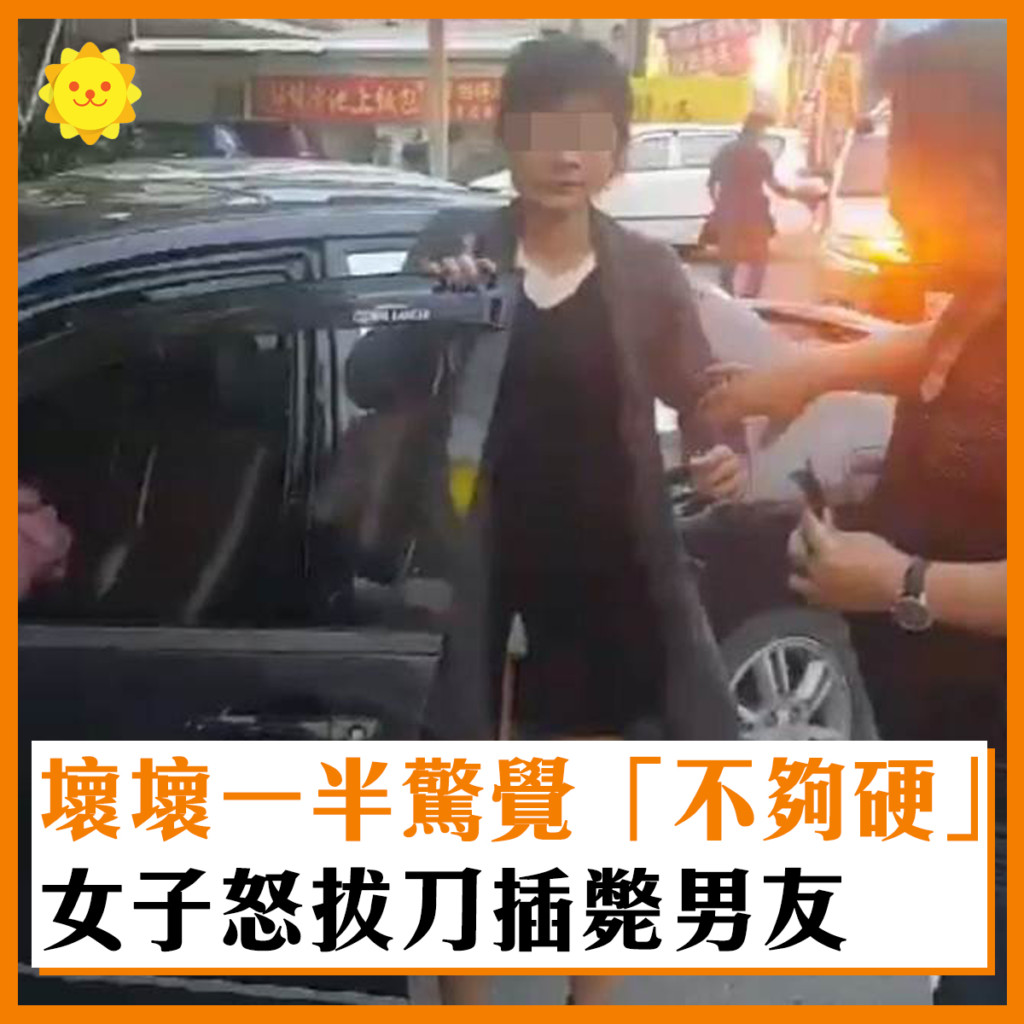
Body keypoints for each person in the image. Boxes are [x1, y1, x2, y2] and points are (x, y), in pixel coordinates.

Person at [346, 33, 743, 1005]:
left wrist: (725, 450)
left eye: (592, 134)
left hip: (607, 575)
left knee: (600, 816)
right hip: (468, 572)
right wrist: (436, 312)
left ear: (617, 150)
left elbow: (706, 395)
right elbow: (369, 379)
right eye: (544, 130)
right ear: (506, 136)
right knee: (462, 809)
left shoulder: (645, 270)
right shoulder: (457, 245)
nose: (567, 155)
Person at [702, 20, 1006, 1005]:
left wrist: (900, 583)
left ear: (981, 165)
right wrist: (799, 377)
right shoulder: (987, 292)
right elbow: (934, 350)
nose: (893, 193)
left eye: (906, 147)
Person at [706, 112, 800, 298]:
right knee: (759, 259)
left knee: (728, 258)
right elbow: (773, 184)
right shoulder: (760, 155)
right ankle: (751, 298)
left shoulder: (726, 152)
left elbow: (711, 184)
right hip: (754, 212)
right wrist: (793, 194)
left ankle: (727, 295)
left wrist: (719, 206)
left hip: (730, 210)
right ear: (758, 132)